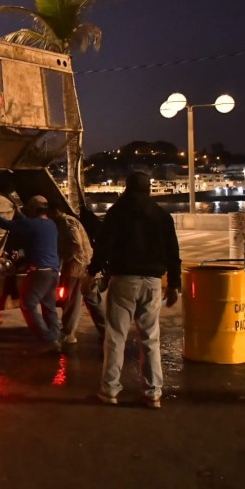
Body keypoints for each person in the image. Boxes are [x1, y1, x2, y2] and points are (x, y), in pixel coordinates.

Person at [87, 171, 181, 409]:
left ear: (126, 188)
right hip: (152, 283)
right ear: (148, 189)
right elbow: (173, 253)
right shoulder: (162, 215)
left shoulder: (117, 212)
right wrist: (175, 284)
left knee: (115, 337)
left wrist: (92, 272)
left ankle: (109, 389)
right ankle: (152, 393)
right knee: (150, 338)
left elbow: (103, 247)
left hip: (123, 281)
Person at [0, 195, 62, 352]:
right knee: (49, 306)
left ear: (33, 210)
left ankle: (47, 339)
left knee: (27, 304)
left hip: (39, 272)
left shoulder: (32, 224)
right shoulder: (51, 224)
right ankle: (55, 337)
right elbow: (32, 233)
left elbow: (5, 224)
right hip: (53, 272)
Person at [50, 207, 105, 344]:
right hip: (86, 265)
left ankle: (68, 334)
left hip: (77, 267)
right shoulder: (67, 221)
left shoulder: (66, 223)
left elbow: (75, 244)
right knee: (93, 301)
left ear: (54, 211)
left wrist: (65, 263)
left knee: (72, 301)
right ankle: (107, 331)